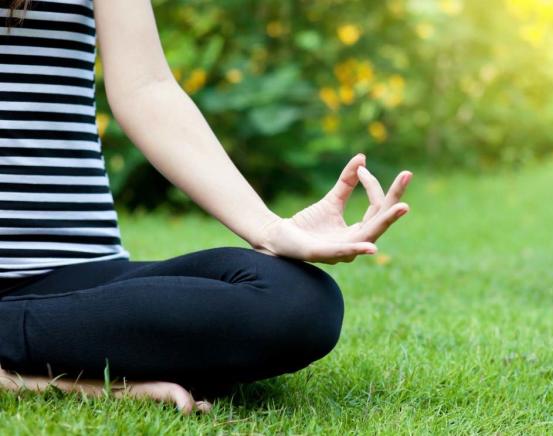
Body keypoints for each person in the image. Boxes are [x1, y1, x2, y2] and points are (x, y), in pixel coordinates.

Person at [0, 0, 412, 414]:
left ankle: (29, 359)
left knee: (300, 302)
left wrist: (269, 228)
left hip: (76, 271)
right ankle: (36, 376)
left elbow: (145, 87)